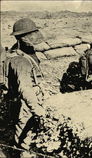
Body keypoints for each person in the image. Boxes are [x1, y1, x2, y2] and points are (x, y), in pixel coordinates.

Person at [2, 18, 46, 157]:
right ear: (21, 38)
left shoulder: (26, 52)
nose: (34, 37)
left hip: (24, 102)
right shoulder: (20, 60)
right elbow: (25, 88)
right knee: (23, 144)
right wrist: (37, 109)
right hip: (24, 106)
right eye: (30, 34)